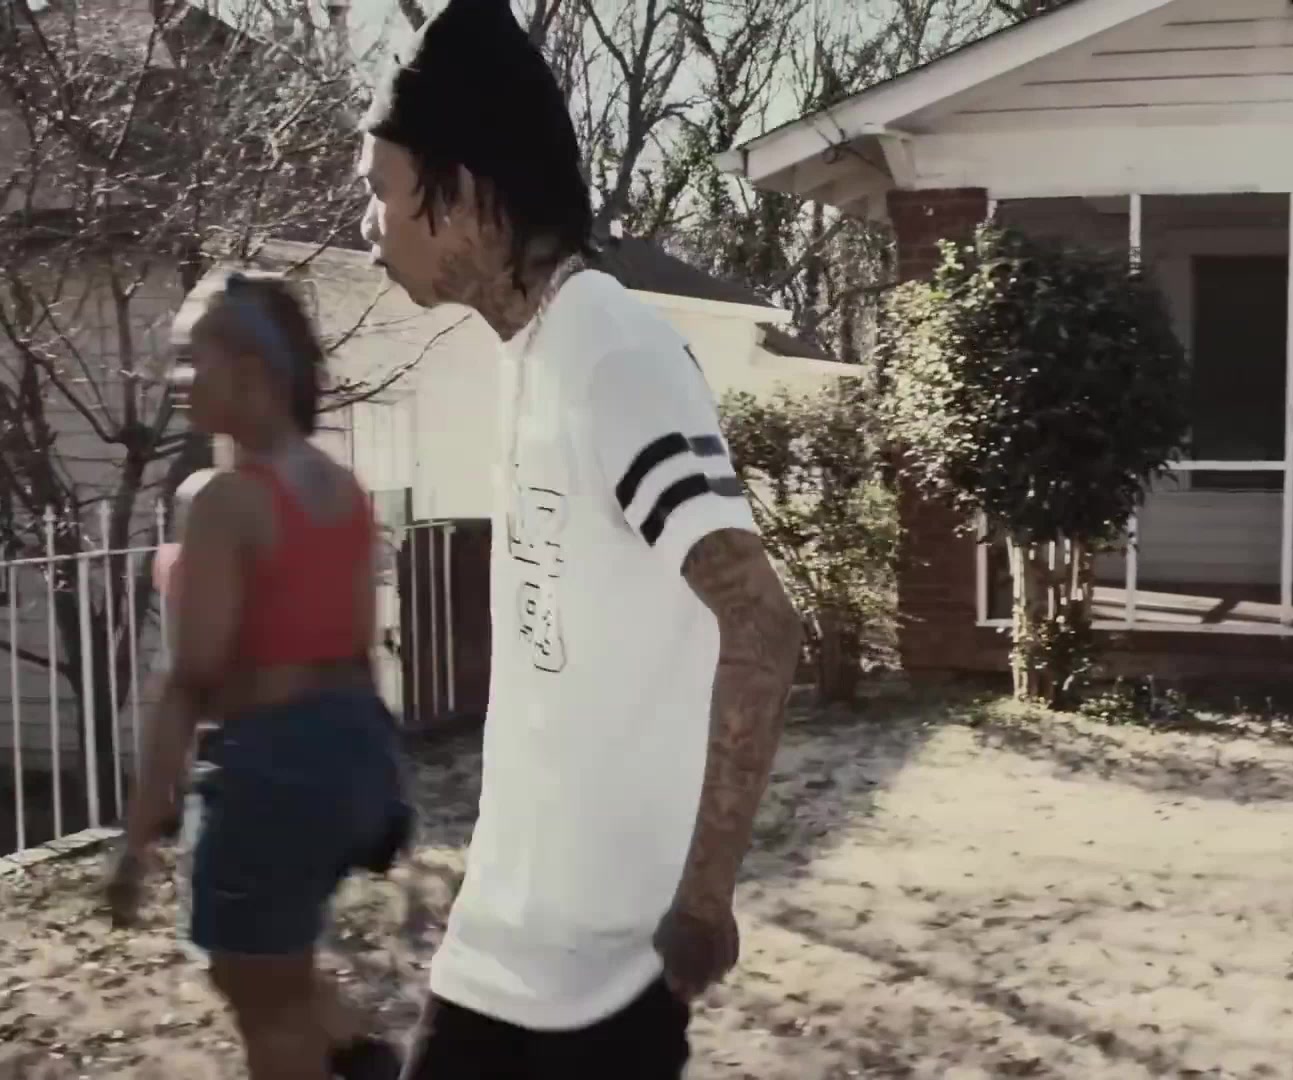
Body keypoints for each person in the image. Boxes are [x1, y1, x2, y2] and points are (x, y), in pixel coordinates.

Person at [355, 1, 803, 1075]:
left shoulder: (614, 352)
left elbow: (761, 621)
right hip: (509, 943)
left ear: (465, 194)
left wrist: (705, 901)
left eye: (381, 190)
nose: (368, 225)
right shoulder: (534, 355)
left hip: (601, 981)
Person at [107, 272, 411, 1080]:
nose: (179, 377)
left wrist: (137, 837)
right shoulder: (344, 491)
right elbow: (358, 649)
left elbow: (192, 678)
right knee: (282, 967)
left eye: (193, 358)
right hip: (355, 760)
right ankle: (365, 1060)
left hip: (271, 771)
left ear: (250, 374)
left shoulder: (225, 499)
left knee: (256, 994)